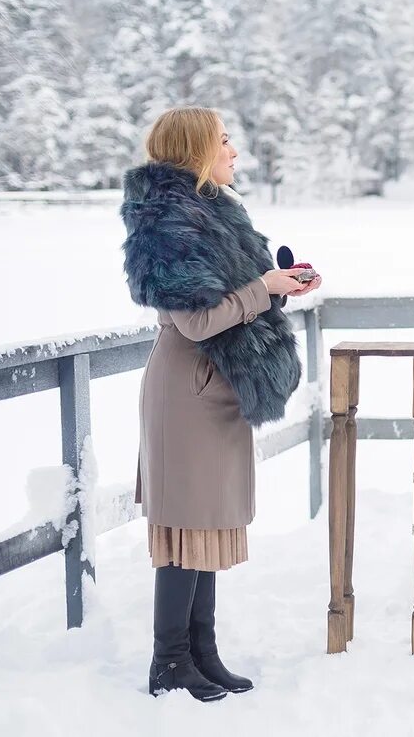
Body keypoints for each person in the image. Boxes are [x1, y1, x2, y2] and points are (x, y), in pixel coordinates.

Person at [121, 107, 321, 700]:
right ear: (194, 151)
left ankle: (201, 651)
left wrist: (280, 287)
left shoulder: (215, 213)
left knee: (205, 521)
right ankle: (169, 660)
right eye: (225, 141)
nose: (235, 151)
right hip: (189, 391)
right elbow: (198, 320)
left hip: (218, 387)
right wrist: (265, 289)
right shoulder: (168, 223)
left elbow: (237, 305)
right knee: (186, 523)